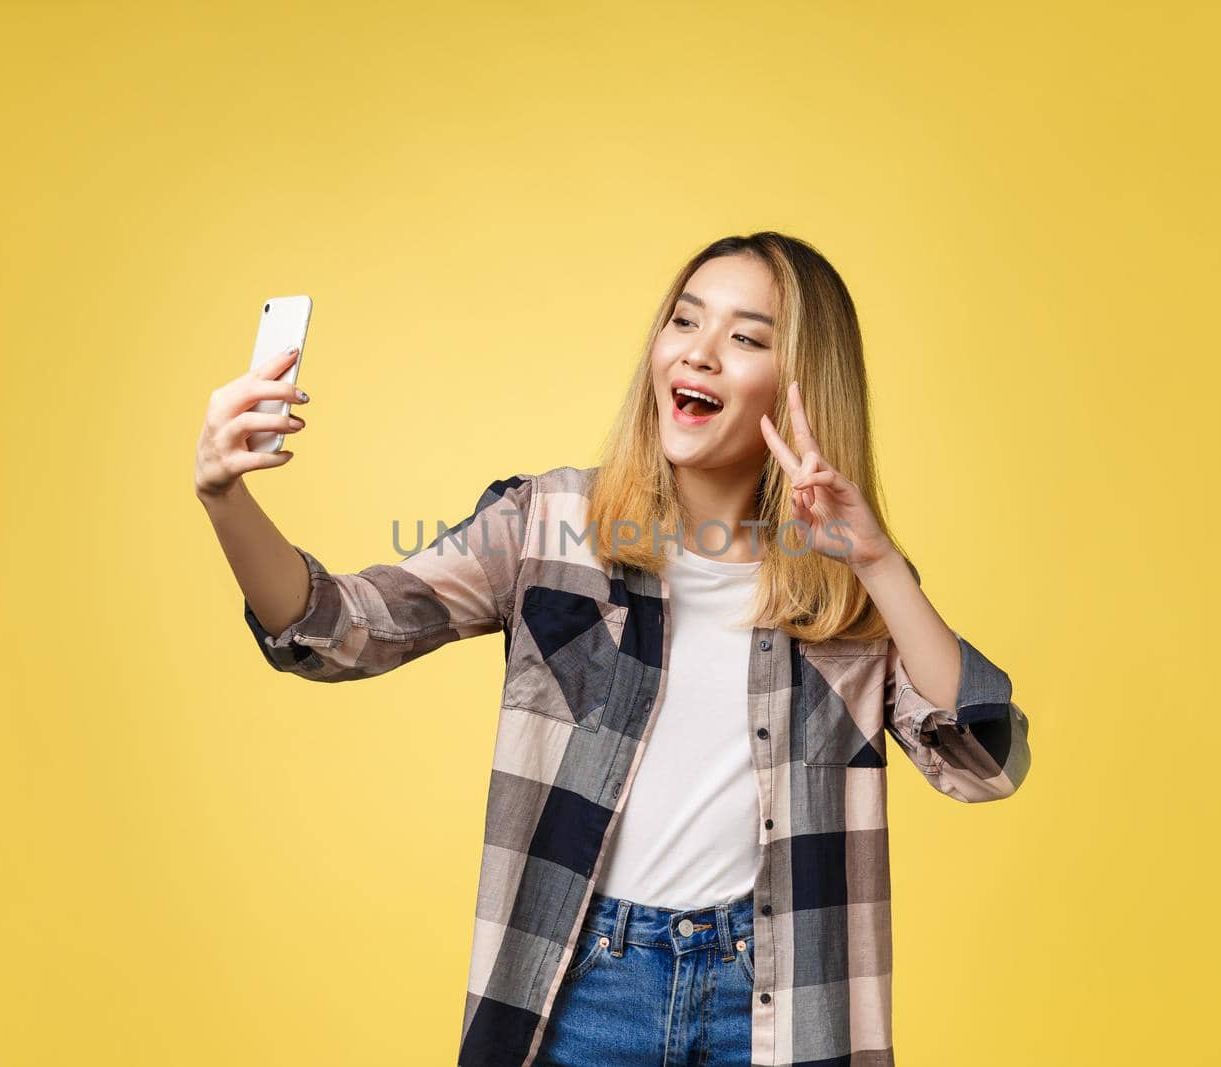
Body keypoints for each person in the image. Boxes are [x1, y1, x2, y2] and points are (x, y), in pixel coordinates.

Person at [194, 231, 1033, 1067]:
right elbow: (342, 630)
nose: (699, 354)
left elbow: (984, 762)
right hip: (585, 983)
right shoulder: (547, 525)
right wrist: (225, 498)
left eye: (745, 338)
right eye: (684, 322)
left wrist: (880, 564)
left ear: (805, 387)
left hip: (778, 1003)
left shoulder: (849, 580)